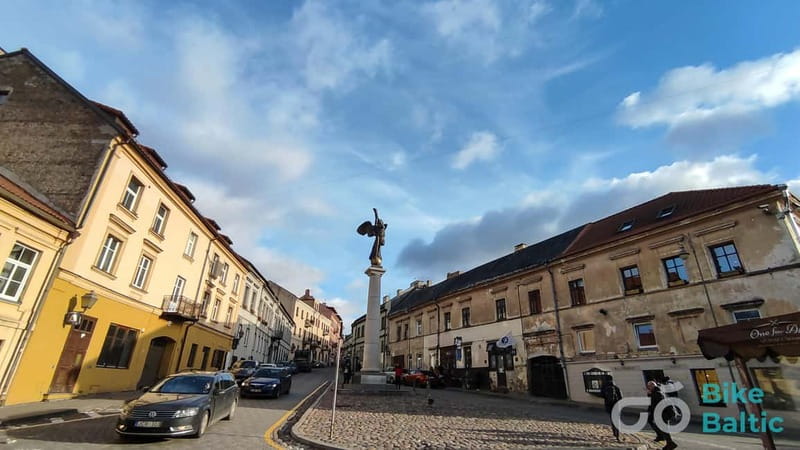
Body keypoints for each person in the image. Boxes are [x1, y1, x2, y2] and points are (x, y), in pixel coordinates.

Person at [647, 380, 677, 450]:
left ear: (652, 386)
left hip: (664, 413)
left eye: (649, 386)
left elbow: (656, 405)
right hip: (664, 413)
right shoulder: (656, 392)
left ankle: (670, 443)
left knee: (664, 428)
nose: (648, 388)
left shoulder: (657, 393)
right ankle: (667, 441)